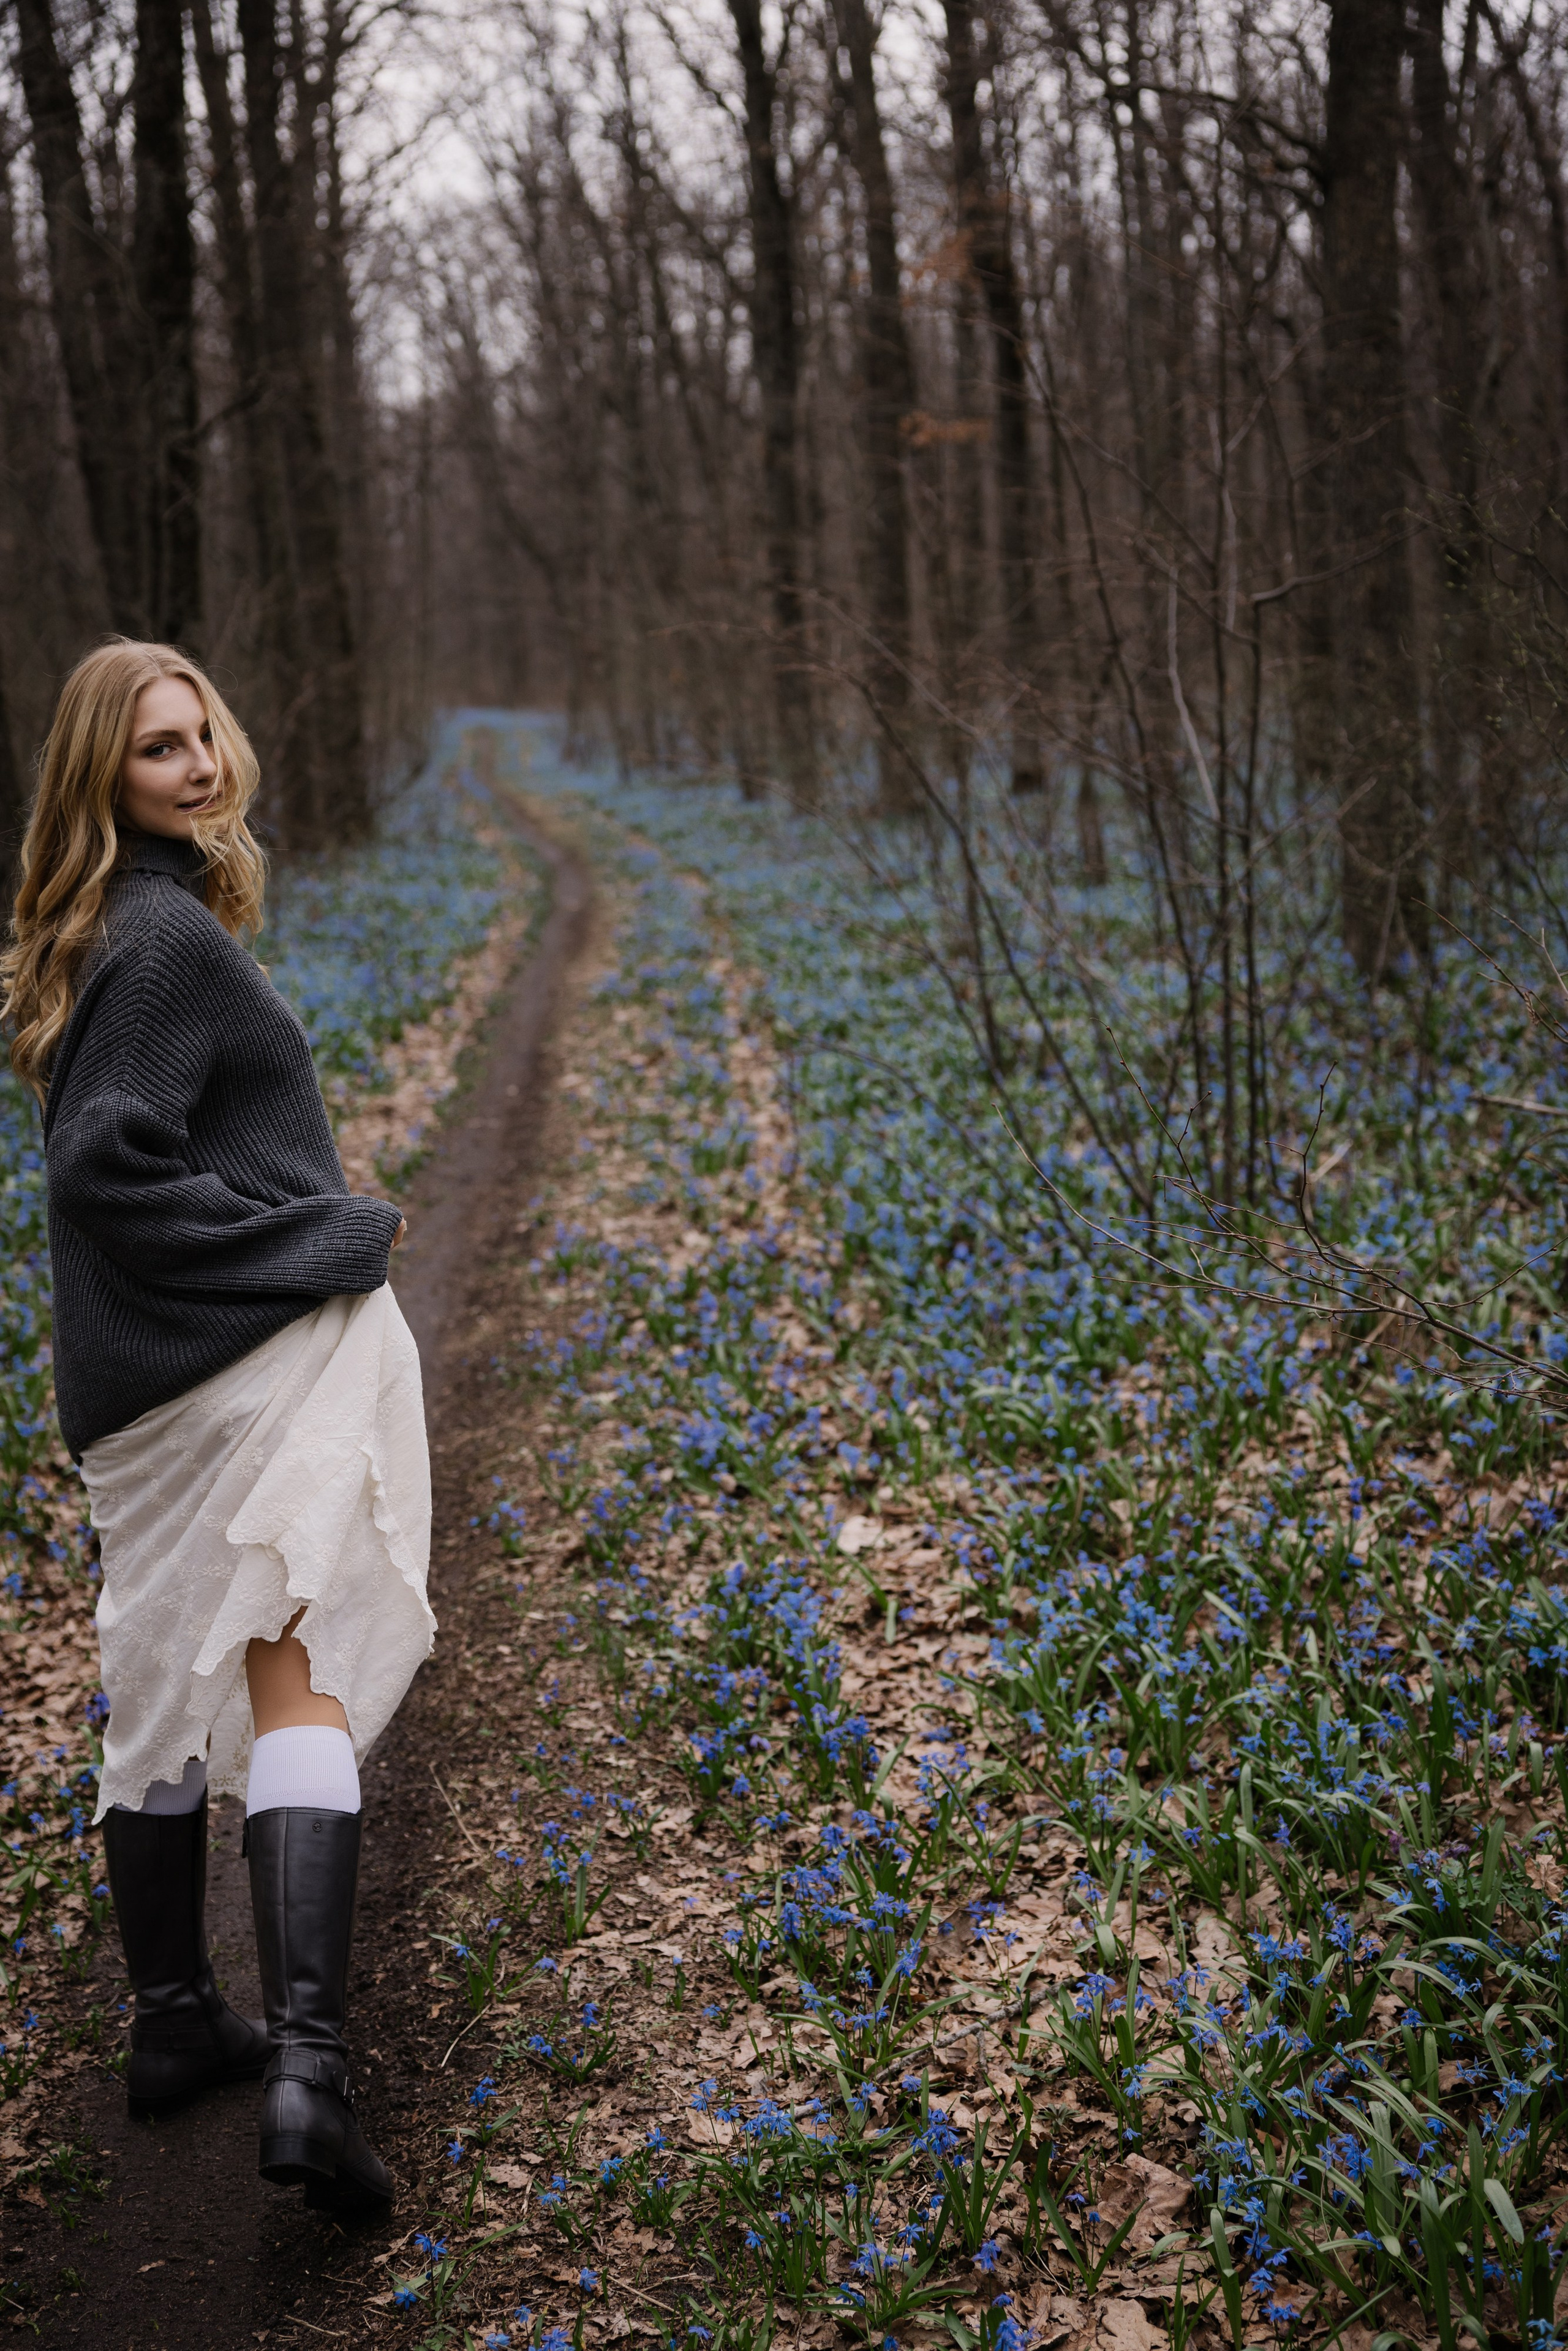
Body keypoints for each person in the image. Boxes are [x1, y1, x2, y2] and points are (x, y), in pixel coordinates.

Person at [0, 638, 436, 2216]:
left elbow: (110, 1161)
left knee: (161, 1685)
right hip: (234, 1367)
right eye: (155, 751)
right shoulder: (162, 937)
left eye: (200, 738)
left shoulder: (109, 926)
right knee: (290, 1666)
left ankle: (178, 2022)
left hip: (142, 1395)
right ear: (97, 780)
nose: (195, 767)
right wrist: (305, 1241)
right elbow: (103, 1174)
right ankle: (312, 2073)